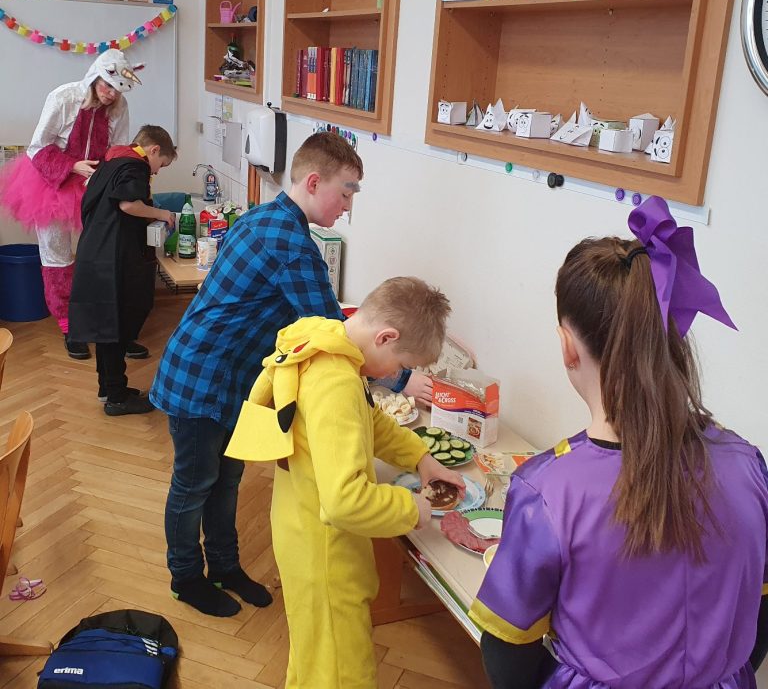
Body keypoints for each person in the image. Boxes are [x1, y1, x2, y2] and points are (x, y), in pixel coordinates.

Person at [470, 196, 768, 689]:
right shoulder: (748, 467)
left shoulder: (549, 491)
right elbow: (759, 617)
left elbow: (507, 653)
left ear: (567, 345)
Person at [150, 132, 432, 617]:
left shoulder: (265, 216)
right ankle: (186, 577)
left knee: (228, 480)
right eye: (346, 192)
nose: (348, 205)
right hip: (201, 377)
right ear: (315, 182)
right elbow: (337, 334)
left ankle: (224, 566)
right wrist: (403, 380)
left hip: (233, 380)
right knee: (194, 484)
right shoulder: (292, 244)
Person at [226, 276, 465, 689]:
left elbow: (368, 420)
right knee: (341, 671)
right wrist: (411, 509)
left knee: (316, 658)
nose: (398, 374)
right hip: (325, 554)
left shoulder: (328, 341)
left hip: (302, 528)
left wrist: (421, 458)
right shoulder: (336, 383)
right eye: (402, 365)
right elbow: (344, 502)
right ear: (386, 337)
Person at [0, 49, 151, 361]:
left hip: (93, 184)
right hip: (51, 183)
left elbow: (117, 149)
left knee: (101, 252)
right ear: (95, 77)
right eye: (107, 86)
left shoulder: (119, 106)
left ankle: (106, 324)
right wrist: (72, 166)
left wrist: (118, 175)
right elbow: (38, 147)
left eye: (117, 90)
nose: (111, 95)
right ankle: (70, 326)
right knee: (56, 255)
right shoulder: (63, 98)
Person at [68, 126, 176, 416]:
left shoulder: (112, 160)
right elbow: (128, 204)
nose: (157, 171)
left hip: (95, 250)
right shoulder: (134, 166)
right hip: (112, 256)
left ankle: (108, 388)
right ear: (154, 150)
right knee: (114, 326)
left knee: (105, 327)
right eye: (162, 164)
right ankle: (117, 398)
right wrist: (162, 214)